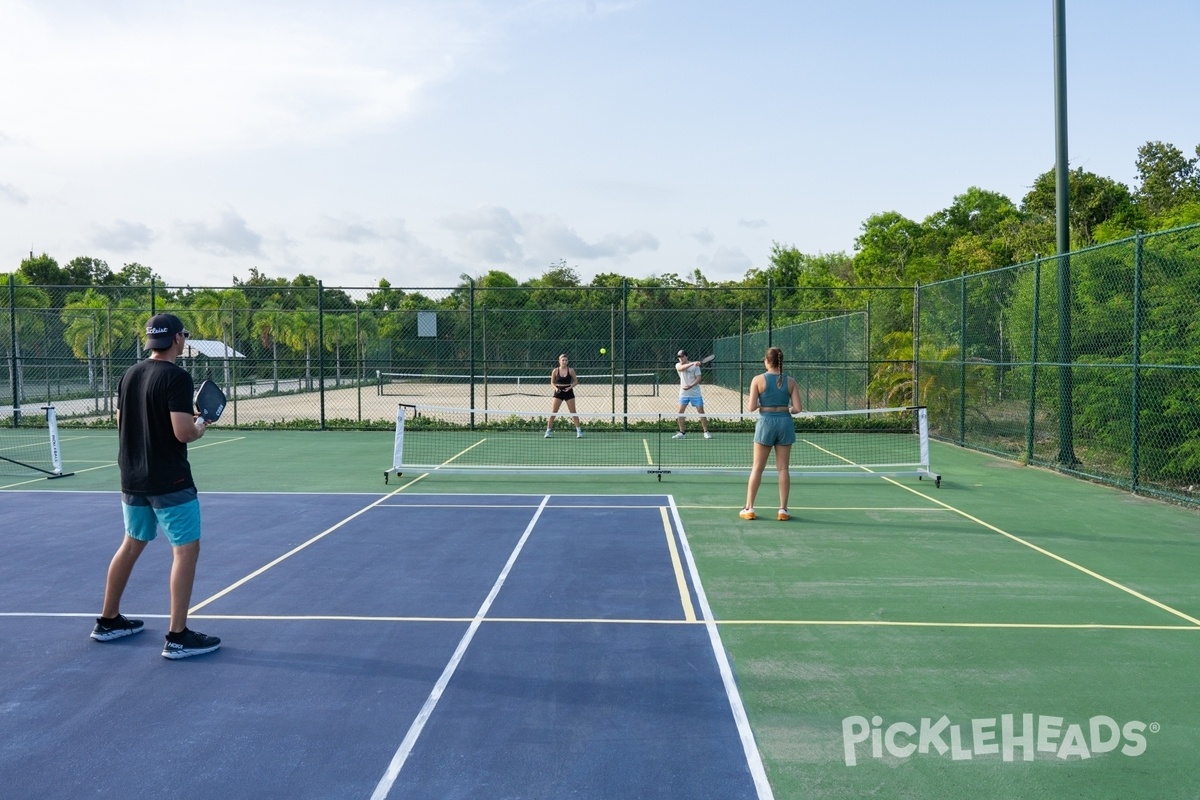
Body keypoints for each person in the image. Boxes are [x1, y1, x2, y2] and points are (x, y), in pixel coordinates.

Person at [90, 313, 222, 659]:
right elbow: (182, 432)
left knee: (131, 544)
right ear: (177, 338)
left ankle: (108, 621)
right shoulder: (177, 377)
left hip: (132, 478)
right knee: (185, 551)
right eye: (185, 335)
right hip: (170, 480)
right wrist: (200, 425)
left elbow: (121, 422)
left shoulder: (130, 374)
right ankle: (178, 636)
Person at [740, 346, 803, 521]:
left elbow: (751, 407)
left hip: (765, 423)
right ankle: (783, 510)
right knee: (783, 468)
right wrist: (786, 408)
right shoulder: (790, 381)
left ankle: (749, 508)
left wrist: (764, 406)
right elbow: (797, 408)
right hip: (785, 423)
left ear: (767, 361)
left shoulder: (758, 380)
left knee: (757, 468)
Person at [673, 349, 711, 439]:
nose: (681, 358)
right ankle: (682, 432)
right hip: (683, 394)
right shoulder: (678, 365)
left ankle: (706, 431)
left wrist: (690, 385)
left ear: (686, 356)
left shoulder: (695, 367)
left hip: (695, 394)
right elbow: (681, 368)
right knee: (680, 412)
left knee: (701, 412)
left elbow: (699, 378)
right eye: (679, 357)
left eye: (682, 356)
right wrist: (693, 363)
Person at [545, 353, 582, 438]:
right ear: (559, 361)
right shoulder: (555, 371)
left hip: (569, 392)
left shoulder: (571, 370)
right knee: (553, 412)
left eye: (566, 360)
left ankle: (579, 431)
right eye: (563, 360)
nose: (564, 362)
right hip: (558, 392)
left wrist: (570, 387)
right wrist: (556, 388)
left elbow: (576, 381)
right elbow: (552, 382)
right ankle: (548, 431)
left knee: (573, 412)